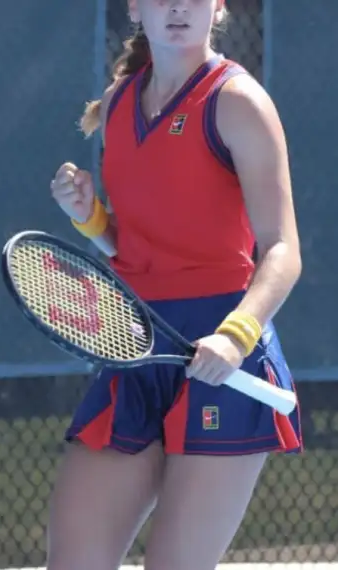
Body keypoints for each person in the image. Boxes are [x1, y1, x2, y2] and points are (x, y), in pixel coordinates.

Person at [46, 1, 303, 569]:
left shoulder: (238, 102)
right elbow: (134, 244)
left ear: (218, 7)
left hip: (226, 361)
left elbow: (282, 250)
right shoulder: (116, 106)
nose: (178, 6)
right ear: (135, 8)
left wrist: (235, 338)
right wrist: (91, 218)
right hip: (136, 351)